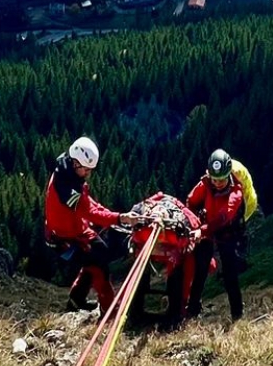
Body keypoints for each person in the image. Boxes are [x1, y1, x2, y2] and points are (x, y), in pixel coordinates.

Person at [44, 136, 140, 313]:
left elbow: (89, 205)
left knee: (97, 255)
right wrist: (121, 218)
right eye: (86, 170)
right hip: (65, 238)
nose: (88, 174)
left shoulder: (67, 172)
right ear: (76, 164)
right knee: (98, 265)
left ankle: (76, 300)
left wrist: (115, 217)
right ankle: (109, 310)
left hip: (75, 230)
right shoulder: (67, 188)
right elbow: (90, 212)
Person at [186, 149, 249, 322]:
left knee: (229, 274)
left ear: (228, 174)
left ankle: (237, 315)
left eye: (222, 179)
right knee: (201, 270)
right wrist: (194, 221)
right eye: (215, 179)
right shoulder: (205, 184)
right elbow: (190, 201)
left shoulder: (236, 193)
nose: (218, 183)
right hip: (206, 230)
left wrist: (201, 230)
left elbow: (223, 218)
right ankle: (192, 311)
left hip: (226, 233)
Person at [127, 192, 206, 331]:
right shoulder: (142, 221)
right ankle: (142, 312)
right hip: (160, 246)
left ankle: (174, 313)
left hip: (168, 248)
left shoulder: (180, 224)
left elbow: (189, 235)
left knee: (175, 278)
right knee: (142, 277)